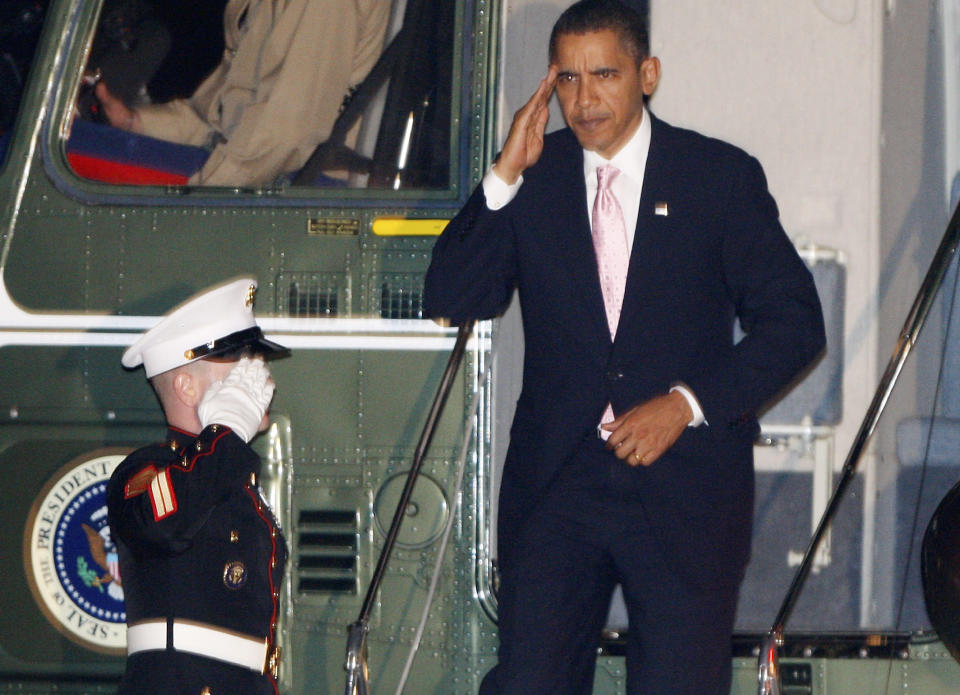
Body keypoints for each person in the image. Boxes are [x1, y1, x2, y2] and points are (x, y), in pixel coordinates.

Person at [423, 1, 826, 694]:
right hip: (557, 489)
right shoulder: (534, 186)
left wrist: (686, 404)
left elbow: (795, 323)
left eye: (604, 75)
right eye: (568, 80)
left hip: (685, 491)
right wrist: (502, 173)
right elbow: (453, 296)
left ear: (648, 74)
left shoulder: (717, 178)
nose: (585, 100)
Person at [107, 277, 289, 695]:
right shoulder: (148, 469)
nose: (258, 375)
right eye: (239, 362)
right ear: (186, 386)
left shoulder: (234, 479)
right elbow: (163, 525)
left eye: (256, 360)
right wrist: (226, 430)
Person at [94, 0, 390, 186]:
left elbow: (284, 133)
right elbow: (221, 114)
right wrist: (134, 123)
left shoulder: (316, 6)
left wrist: (197, 201)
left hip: (300, 191)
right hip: (268, 175)